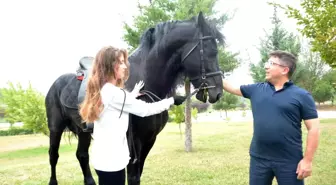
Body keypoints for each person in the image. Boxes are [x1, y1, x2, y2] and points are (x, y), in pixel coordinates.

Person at [79, 46, 187, 185]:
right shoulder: (116, 93)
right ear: (109, 66)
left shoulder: (105, 89)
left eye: (125, 61)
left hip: (103, 159)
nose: (125, 66)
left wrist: (133, 94)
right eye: (120, 62)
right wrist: (171, 101)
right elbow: (145, 110)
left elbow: (117, 104)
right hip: (112, 163)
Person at [222, 50, 320, 185]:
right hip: (259, 159)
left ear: (285, 70)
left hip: (289, 161)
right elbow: (231, 87)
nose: (266, 66)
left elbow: (314, 128)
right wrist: (211, 73)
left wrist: (307, 161)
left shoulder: (302, 96)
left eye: (271, 63)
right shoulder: (256, 89)